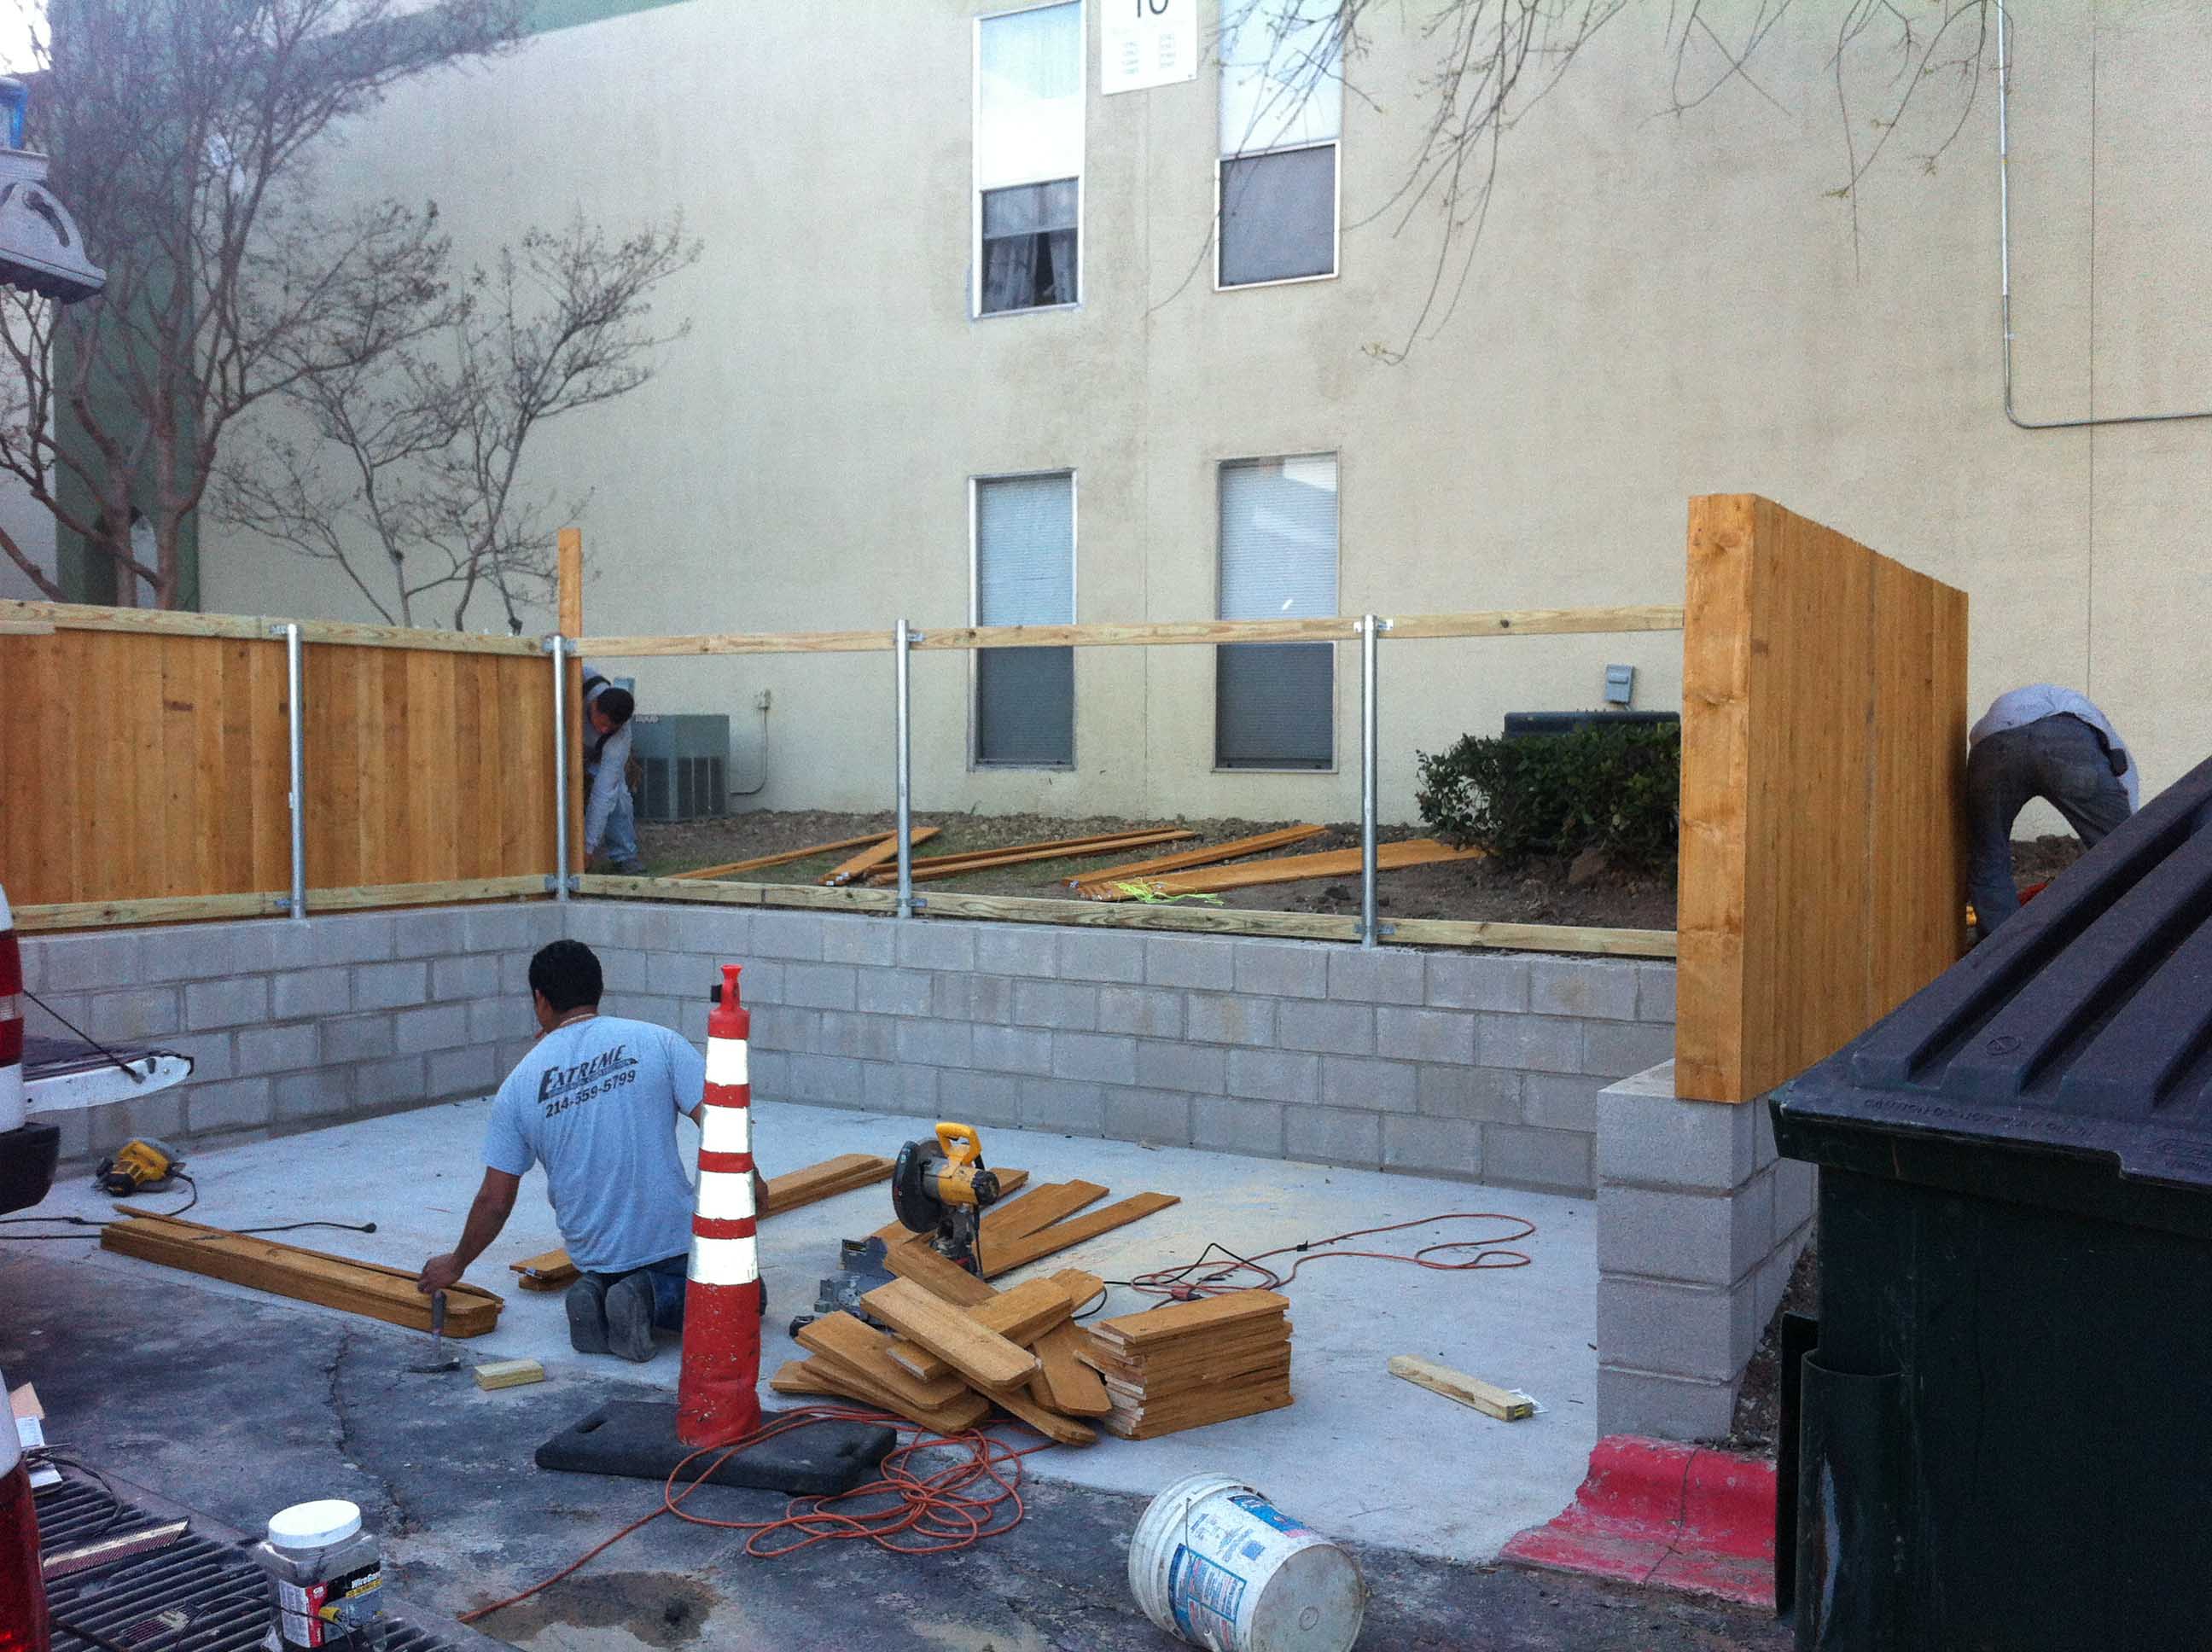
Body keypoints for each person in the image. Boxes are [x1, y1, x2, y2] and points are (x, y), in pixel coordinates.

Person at [416, 939, 710, 1362]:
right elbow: (719, 1121)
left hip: (594, 1256)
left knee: (611, 1275)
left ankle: (598, 1291)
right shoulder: (659, 1042)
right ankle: (646, 1299)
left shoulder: (519, 1084)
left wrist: (456, 1263)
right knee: (746, 1295)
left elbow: (494, 1200)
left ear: (541, 1000)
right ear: (598, 987)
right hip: (671, 1245)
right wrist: (749, 1176)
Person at [1966, 684, 2139, 942]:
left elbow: (1978, 737)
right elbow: (2127, 790)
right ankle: (2128, 936)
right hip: (2065, 740)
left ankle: (2001, 952)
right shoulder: (2106, 735)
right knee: (2124, 851)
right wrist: (2132, 840)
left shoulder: (2074, 709)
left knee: (1989, 857)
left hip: (1992, 745)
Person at [582, 666, 646, 876]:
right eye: (602, 723)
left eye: (611, 728)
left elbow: (604, 792)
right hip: (556, 747)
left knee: (618, 795)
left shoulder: (621, 735)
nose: (604, 730)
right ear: (594, 705)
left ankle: (625, 855)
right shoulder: (583, 679)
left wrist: (588, 848)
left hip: (592, 755)